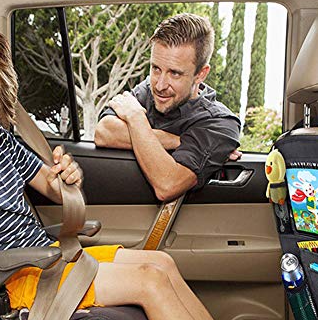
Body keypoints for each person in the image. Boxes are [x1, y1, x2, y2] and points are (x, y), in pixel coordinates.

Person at [0, 25, 309, 320]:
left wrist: (65, 177)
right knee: (148, 283)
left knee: (162, 264)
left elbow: (49, 185)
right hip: (15, 282)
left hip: (47, 261)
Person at [94, 13, 242, 201]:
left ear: (201, 74)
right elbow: (104, 133)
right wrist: (177, 141)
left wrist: (135, 117)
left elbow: (168, 184)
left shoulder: (220, 123)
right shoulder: (148, 89)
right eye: (156, 68)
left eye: (175, 73)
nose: (160, 85)